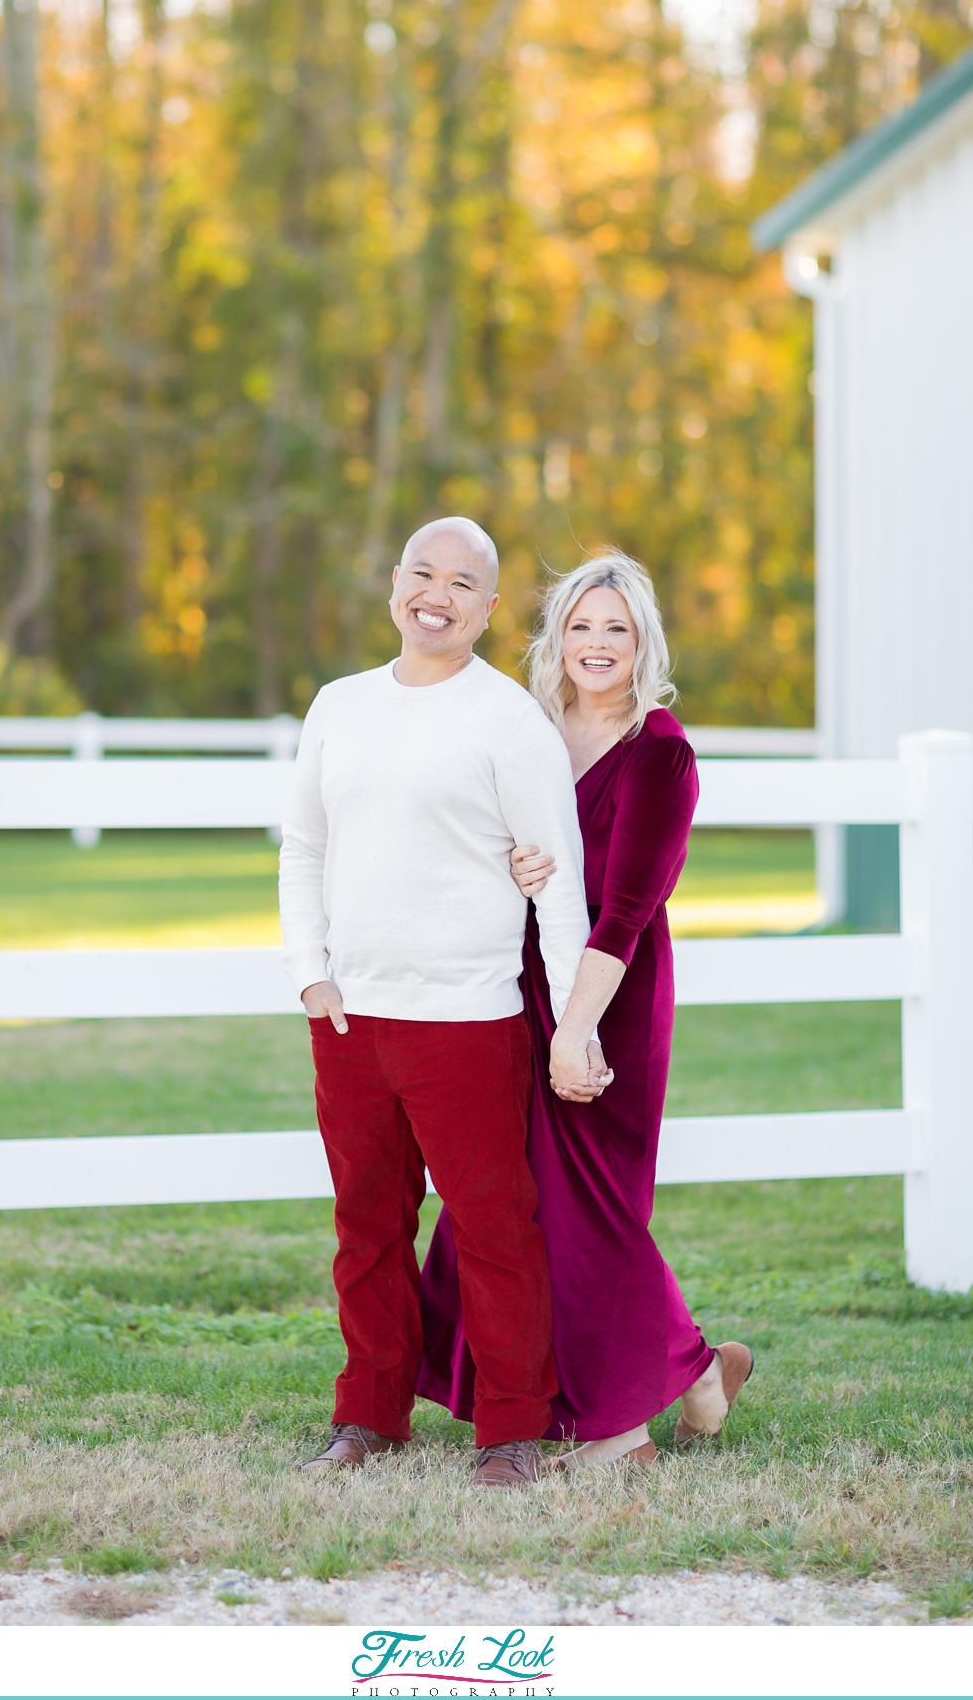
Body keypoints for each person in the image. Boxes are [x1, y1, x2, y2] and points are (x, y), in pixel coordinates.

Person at [278, 516, 606, 1489]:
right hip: (351, 1020)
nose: (439, 593)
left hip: (468, 1020)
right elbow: (305, 847)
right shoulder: (339, 706)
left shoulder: (508, 720)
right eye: (423, 573)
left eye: (463, 582)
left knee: (495, 1228)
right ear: (395, 585)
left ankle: (511, 1431)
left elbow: (558, 882)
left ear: (490, 607)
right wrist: (311, 972)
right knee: (367, 1226)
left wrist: (567, 1026)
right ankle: (369, 1416)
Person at [418, 550, 753, 1466]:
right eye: (581, 627)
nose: (597, 645)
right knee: (508, 1196)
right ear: (555, 639)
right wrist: (515, 864)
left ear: (642, 641)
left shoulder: (660, 750)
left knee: (590, 1208)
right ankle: (691, 1369)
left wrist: (576, 1030)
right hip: (516, 984)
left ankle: (617, 1428)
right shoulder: (530, 728)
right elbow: (481, 836)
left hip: (609, 996)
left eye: (617, 628)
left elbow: (629, 912)